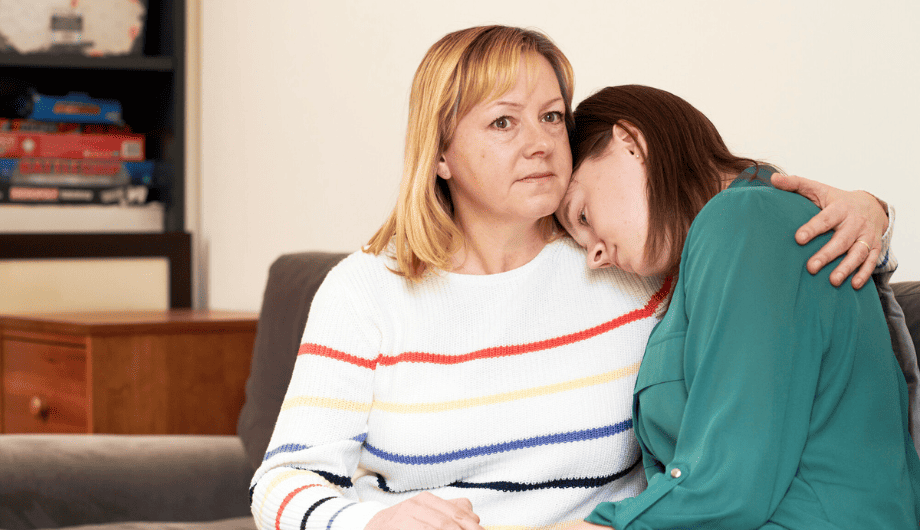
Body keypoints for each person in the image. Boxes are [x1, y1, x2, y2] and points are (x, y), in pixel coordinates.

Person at [249, 26, 892, 530]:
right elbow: (282, 482)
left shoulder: (632, 268)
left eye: (552, 116)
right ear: (440, 153)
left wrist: (869, 213)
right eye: (504, 121)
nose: (540, 142)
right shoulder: (365, 292)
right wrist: (371, 522)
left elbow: (762, 258)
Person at [556, 84, 920, 529]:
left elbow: (727, 485)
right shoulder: (737, 233)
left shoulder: (743, 221)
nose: (593, 255)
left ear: (631, 144)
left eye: (584, 217)